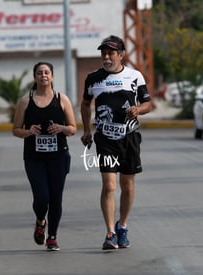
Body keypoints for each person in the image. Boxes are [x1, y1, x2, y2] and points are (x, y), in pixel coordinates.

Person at [80, 35, 151, 250]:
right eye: (103, 53)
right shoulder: (93, 78)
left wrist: (138, 110)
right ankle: (110, 233)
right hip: (105, 139)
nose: (106, 57)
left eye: (111, 53)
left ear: (121, 55)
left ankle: (123, 226)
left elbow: (148, 104)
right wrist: (86, 130)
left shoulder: (134, 76)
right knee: (109, 185)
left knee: (127, 186)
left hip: (129, 137)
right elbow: (85, 104)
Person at [12, 61, 77, 251]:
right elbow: (15, 130)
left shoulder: (62, 99)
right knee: (42, 197)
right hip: (34, 158)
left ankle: (53, 237)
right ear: (35, 77)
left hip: (58, 156)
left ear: (52, 76)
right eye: (39, 73)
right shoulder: (26, 101)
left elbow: (73, 129)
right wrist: (29, 132)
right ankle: (41, 221)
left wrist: (62, 128)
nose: (43, 76)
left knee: (56, 198)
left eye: (47, 72)